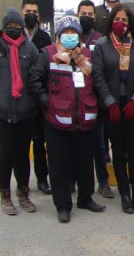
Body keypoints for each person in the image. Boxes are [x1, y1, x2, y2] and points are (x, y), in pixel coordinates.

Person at [29, 14, 106, 223]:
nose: (70, 35)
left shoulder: (89, 56)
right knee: (59, 165)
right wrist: (46, 102)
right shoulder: (48, 54)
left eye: (73, 32)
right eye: (66, 32)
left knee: (85, 162)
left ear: (79, 35)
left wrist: (98, 105)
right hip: (57, 121)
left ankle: (85, 198)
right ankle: (63, 205)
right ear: (59, 35)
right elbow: (34, 81)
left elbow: (99, 82)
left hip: (85, 119)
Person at [92, 3, 134, 214]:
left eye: (124, 20)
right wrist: (110, 103)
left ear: (130, 23)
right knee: (118, 152)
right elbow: (98, 77)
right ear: (111, 22)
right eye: (117, 19)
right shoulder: (102, 45)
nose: (120, 23)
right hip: (112, 108)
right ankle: (124, 194)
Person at [0, 8, 40, 215]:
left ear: (22, 28)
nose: (14, 29)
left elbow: (36, 75)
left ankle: (23, 193)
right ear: (3, 27)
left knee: (23, 154)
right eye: (10, 26)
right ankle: (5, 195)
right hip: (2, 111)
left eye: (17, 26)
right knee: (6, 154)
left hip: (25, 111)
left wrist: (32, 101)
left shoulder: (30, 48)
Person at [76, 2, 112, 200]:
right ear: (77, 14)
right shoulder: (70, 37)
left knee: (99, 144)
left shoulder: (101, 39)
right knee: (75, 145)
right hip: (74, 100)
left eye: (90, 14)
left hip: (95, 99)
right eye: (84, 13)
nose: (87, 17)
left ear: (95, 17)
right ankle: (72, 180)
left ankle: (103, 182)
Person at [21, 0, 52, 195]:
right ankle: (22, 182)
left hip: (39, 97)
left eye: (35, 12)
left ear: (39, 16)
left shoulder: (44, 38)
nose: (31, 15)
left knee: (40, 142)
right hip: (20, 97)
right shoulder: (15, 35)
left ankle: (42, 179)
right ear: (22, 14)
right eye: (28, 11)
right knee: (22, 144)